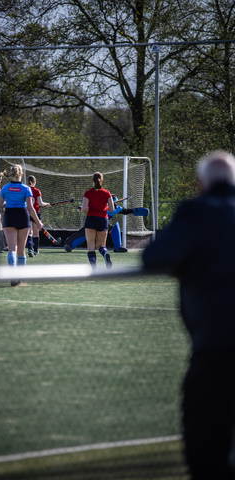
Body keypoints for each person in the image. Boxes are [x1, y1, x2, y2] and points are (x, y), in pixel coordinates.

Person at [142, 150, 235, 479]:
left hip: (218, 345)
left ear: (200, 183)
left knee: (205, 438)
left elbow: (155, 256)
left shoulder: (196, 211)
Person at [0, 165, 43, 286]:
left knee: (12, 248)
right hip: (23, 216)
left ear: (11, 174)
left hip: (10, 216)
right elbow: (30, 207)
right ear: (22, 174)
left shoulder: (5, 188)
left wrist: (7, 202)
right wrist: (38, 222)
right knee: (21, 250)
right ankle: (20, 277)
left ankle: (13, 274)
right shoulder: (26, 188)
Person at [64, 195, 149, 252]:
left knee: (114, 227)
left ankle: (117, 248)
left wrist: (135, 210)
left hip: (103, 224)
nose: (113, 205)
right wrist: (82, 207)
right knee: (85, 234)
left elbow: (126, 211)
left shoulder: (117, 208)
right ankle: (70, 244)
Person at [80, 171, 114, 268]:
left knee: (91, 246)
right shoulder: (107, 193)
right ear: (102, 181)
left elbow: (83, 209)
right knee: (101, 245)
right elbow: (111, 209)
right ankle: (105, 254)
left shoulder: (88, 193)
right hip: (103, 220)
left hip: (91, 219)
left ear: (92, 181)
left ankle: (93, 267)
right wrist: (105, 207)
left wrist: (87, 208)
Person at [27, 175, 51, 257]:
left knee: (29, 232)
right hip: (36, 213)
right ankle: (36, 250)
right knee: (36, 234)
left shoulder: (26, 190)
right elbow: (40, 203)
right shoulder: (37, 191)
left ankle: (30, 249)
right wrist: (46, 204)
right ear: (34, 182)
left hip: (27, 212)